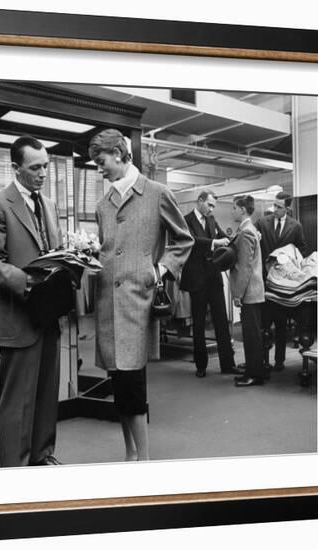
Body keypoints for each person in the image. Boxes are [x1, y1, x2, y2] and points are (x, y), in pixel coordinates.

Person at [89, 129, 193, 461]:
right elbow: (108, 247)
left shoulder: (157, 193)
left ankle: (144, 460)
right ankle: (129, 453)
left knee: (132, 381)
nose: (99, 168)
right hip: (108, 303)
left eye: (101, 161)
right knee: (119, 382)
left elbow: (183, 240)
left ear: (119, 153)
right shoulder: (102, 205)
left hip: (137, 300)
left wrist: (158, 271)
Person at [0, 135, 63, 467]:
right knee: (17, 402)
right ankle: (14, 470)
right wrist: (31, 282)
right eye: (35, 168)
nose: (43, 173)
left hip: (48, 315)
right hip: (19, 316)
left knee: (46, 395)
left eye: (45, 166)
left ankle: (42, 457)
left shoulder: (50, 206)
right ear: (15, 168)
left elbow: (50, 252)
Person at [180, 190, 239, 377]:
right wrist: (214, 242)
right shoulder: (186, 220)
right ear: (200, 201)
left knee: (221, 320)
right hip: (197, 278)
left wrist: (239, 239)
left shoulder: (212, 220)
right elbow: (190, 241)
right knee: (198, 324)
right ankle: (201, 366)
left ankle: (228, 365)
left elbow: (225, 239)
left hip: (213, 277)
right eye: (210, 204)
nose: (212, 209)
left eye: (213, 206)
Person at [254, 192, 307, 370]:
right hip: (265, 280)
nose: (274, 209)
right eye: (274, 205)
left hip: (284, 285)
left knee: (281, 324)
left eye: (279, 207)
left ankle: (279, 361)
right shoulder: (262, 222)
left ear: (288, 209)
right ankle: (263, 360)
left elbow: (301, 250)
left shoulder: (296, 226)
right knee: (264, 324)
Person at [230, 195, 266, 387]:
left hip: (249, 291)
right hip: (253, 290)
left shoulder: (246, 232)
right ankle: (254, 371)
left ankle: (254, 375)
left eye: (234, 208)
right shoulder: (248, 229)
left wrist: (237, 294)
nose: (232, 211)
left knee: (252, 336)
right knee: (252, 334)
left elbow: (245, 267)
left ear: (242, 209)